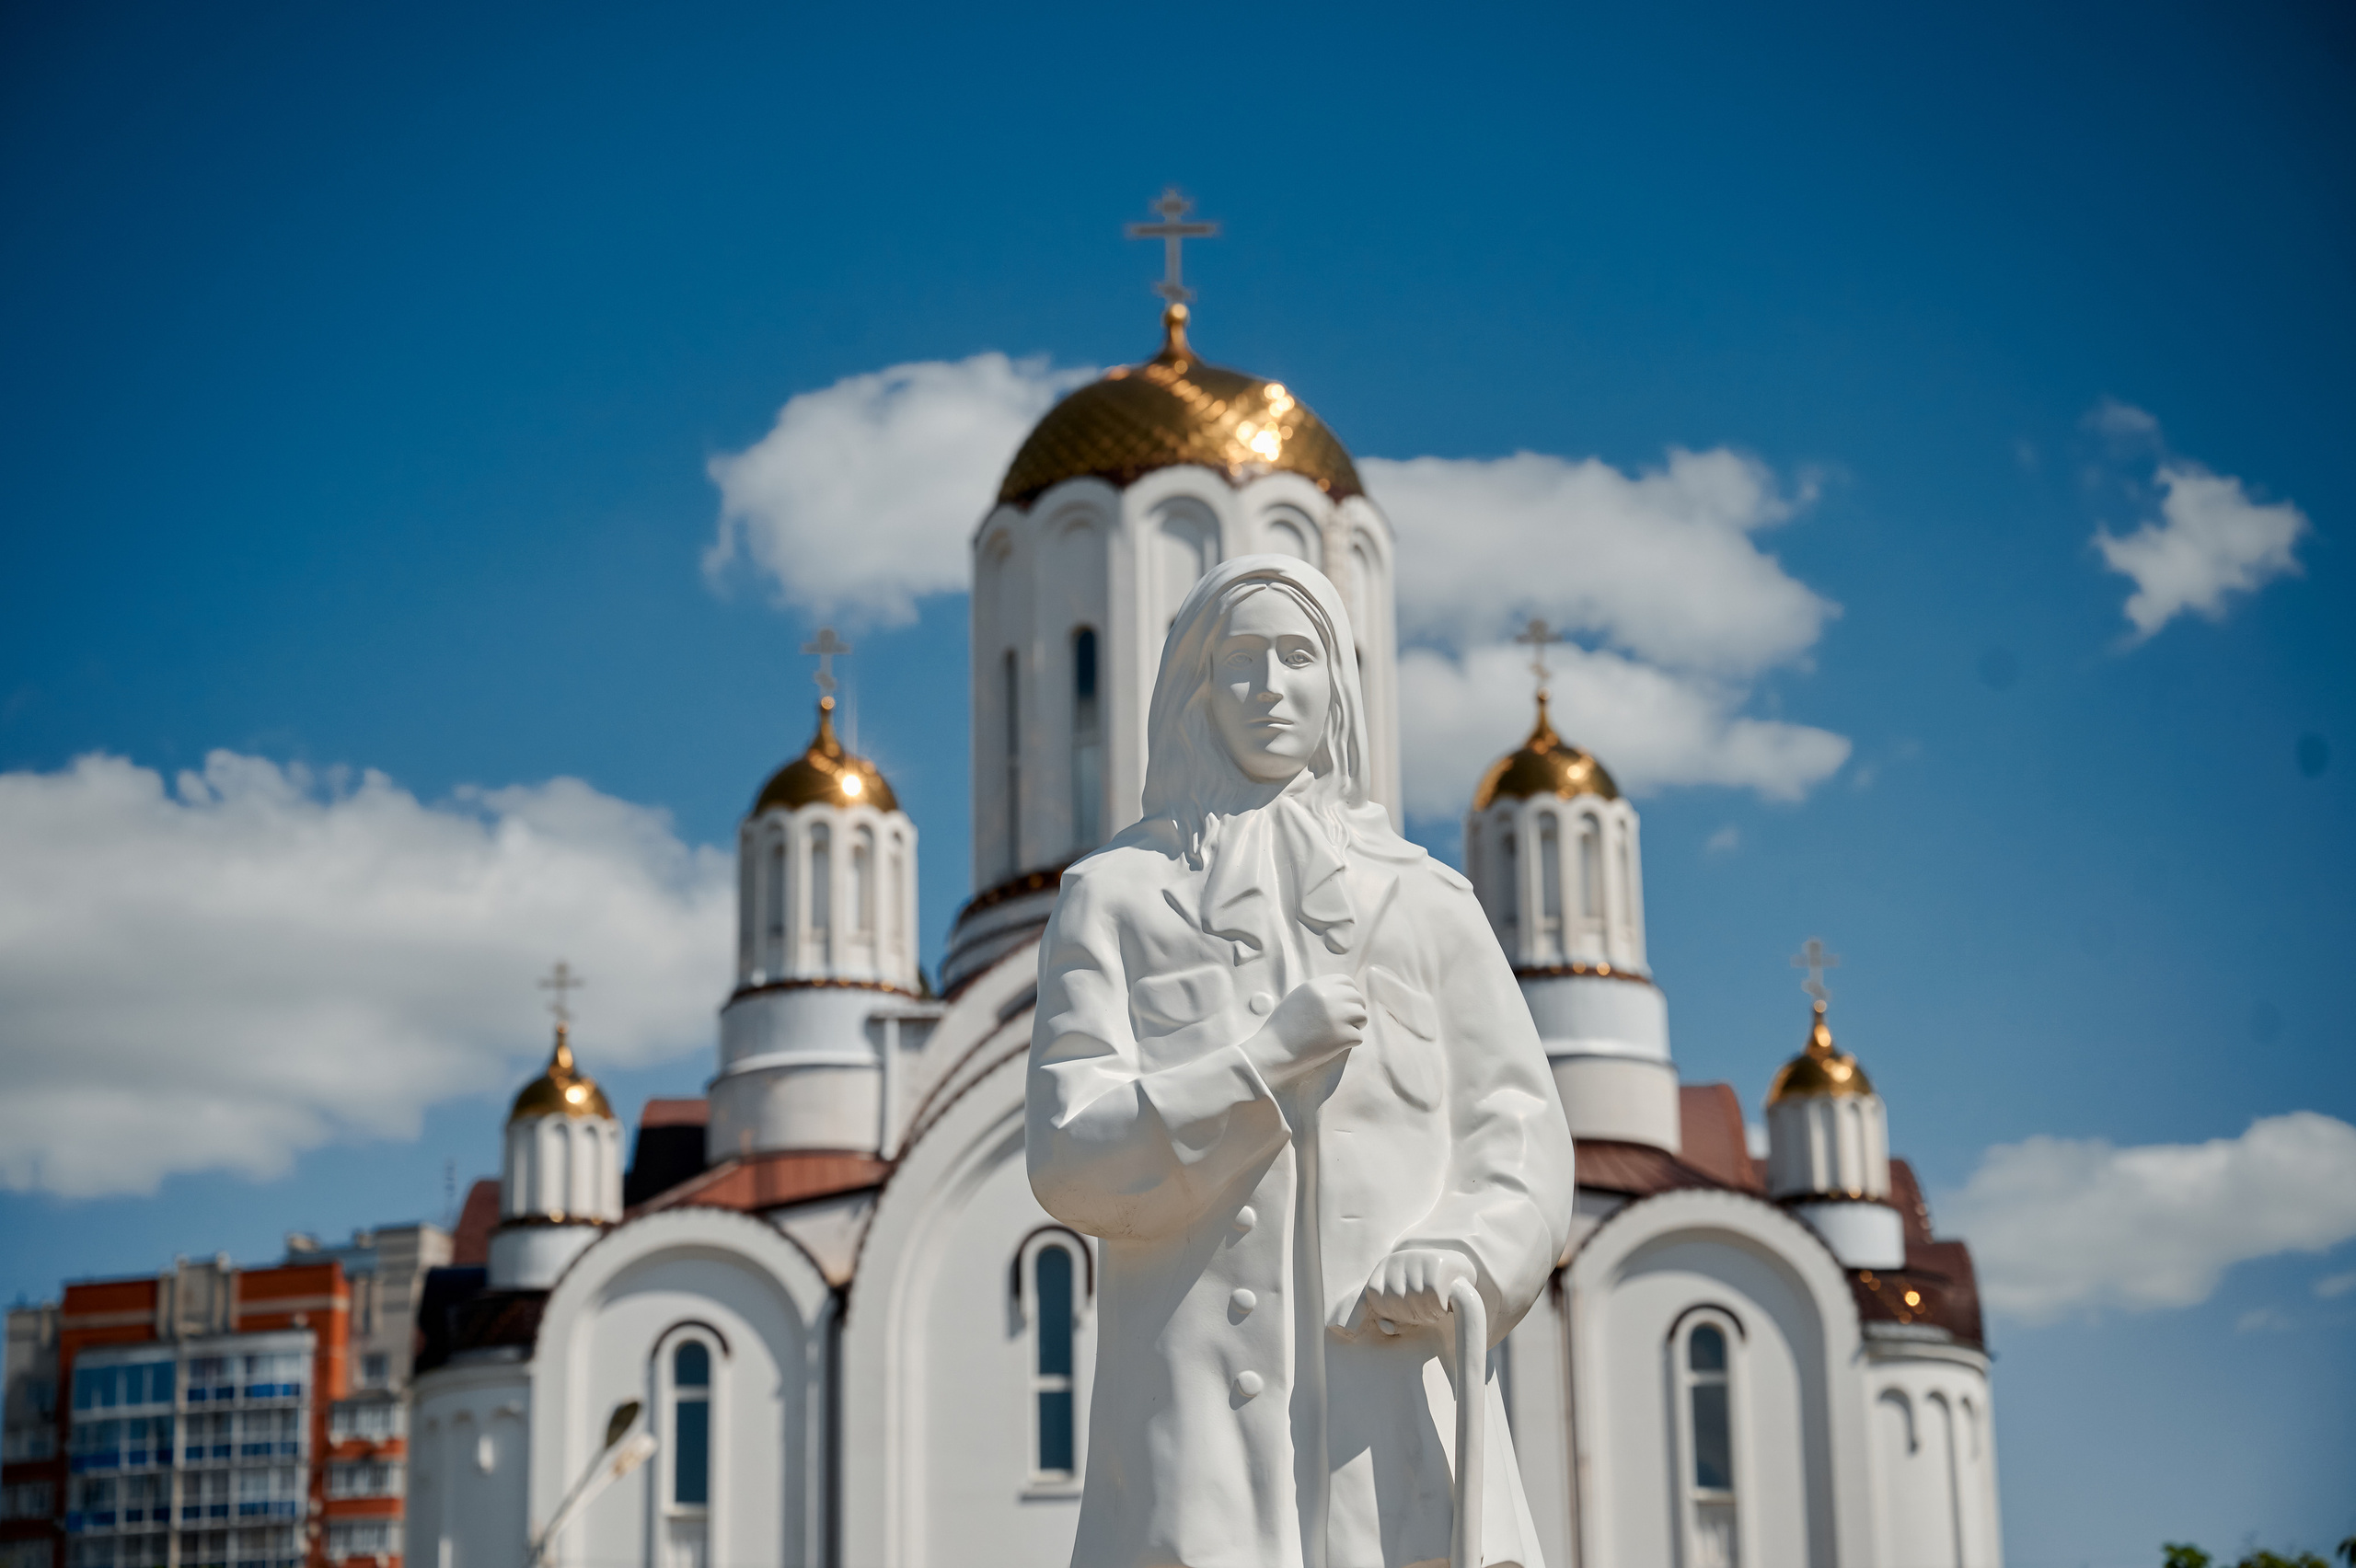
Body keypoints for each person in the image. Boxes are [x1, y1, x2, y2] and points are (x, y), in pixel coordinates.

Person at [1027, 555, 1576, 1568]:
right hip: (1189, 1428)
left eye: (1297, 656)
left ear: (1338, 682)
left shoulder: (1423, 901)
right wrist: (1257, 1067)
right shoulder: (1114, 897)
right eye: (1239, 661)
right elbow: (1068, 1153)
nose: (1270, 688)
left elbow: (1520, 1136)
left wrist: (1465, 1251)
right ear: (1195, 684)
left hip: (1387, 1405)